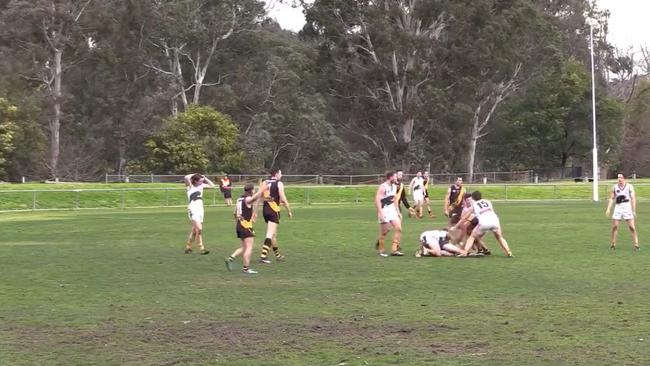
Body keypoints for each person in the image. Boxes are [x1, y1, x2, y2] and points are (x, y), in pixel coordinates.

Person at [225, 183, 267, 274]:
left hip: (239, 225)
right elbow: (252, 199)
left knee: (244, 247)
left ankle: (230, 258)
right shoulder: (247, 199)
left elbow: (234, 213)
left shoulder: (239, 199)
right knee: (249, 248)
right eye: (254, 190)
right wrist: (261, 190)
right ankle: (246, 269)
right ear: (251, 190)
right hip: (245, 226)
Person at [457, 191, 512, 257]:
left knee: (472, 237)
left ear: (473, 198)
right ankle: (508, 252)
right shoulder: (487, 201)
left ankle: (465, 252)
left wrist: (457, 225)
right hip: (494, 220)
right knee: (500, 237)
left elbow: (465, 217)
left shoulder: (474, 205)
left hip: (484, 222)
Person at [259, 169, 293, 264]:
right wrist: (289, 210)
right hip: (274, 211)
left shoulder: (265, 182)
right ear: (277, 174)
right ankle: (263, 256)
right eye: (280, 173)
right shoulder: (279, 183)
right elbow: (283, 198)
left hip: (265, 210)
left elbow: (260, 197)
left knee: (273, 234)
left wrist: (255, 212)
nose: (281, 175)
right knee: (270, 234)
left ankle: (277, 255)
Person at [605, 173, 640, 250]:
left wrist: (633, 210)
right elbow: (611, 198)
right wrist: (608, 208)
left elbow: (633, 198)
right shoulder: (614, 187)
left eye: (621, 177)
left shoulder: (629, 187)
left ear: (624, 178)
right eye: (618, 178)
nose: (619, 179)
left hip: (627, 207)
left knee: (632, 227)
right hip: (618, 207)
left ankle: (636, 244)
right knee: (615, 226)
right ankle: (613, 244)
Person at [183, 173, 216, 255]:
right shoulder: (190, 186)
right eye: (200, 181)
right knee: (199, 228)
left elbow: (213, 186)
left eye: (202, 181)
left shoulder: (201, 186)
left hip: (200, 209)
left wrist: (205, 178)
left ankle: (188, 247)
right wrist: (196, 174)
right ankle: (201, 248)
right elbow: (186, 177)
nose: (202, 182)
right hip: (193, 209)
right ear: (195, 181)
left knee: (195, 230)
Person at [375, 171, 403, 256]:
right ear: (390, 177)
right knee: (385, 231)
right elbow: (377, 200)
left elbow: (394, 200)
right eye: (395, 177)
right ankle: (381, 249)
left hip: (392, 210)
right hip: (384, 210)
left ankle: (394, 250)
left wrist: (398, 212)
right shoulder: (383, 187)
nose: (396, 178)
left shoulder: (394, 186)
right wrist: (380, 213)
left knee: (398, 228)